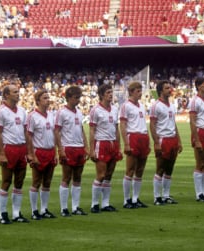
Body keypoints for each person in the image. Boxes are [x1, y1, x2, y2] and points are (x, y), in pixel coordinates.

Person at [0, 84, 29, 224]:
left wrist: (28, 151)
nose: (18, 94)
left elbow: (26, 132)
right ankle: (3, 214)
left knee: (19, 182)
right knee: (6, 181)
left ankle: (16, 213)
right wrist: (2, 153)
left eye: (18, 91)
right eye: (14, 92)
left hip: (21, 149)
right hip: (9, 149)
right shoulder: (1, 111)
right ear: (6, 95)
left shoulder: (22, 110)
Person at [55, 86, 89, 216]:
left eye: (79, 97)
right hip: (68, 147)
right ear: (68, 97)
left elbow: (81, 130)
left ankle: (75, 207)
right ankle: (64, 208)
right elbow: (56, 131)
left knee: (78, 178)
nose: (78, 100)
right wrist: (60, 149)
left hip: (79, 147)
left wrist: (85, 146)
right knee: (66, 177)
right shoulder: (61, 112)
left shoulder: (79, 112)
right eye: (76, 98)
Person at [89, 84, 122, 213]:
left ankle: (105, 203)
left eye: (111, 92)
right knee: (101, 175)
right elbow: (92, 130)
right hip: (101, 144)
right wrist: (92, 149)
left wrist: (118, 146)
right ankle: (94, 204)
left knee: (109, 175)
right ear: (102, 94)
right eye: (108, 92)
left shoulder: (114, 109)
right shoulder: (96, 110)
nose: (110, 94)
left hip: (112, 143)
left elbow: (116, 128)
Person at [150, 80, 182, 205]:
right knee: (160, 168)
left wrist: (179, 140)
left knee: (169, 169)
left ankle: (166, 195)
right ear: (160, 91)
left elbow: (174, 124)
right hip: (163, 139)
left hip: (172, 138)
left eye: (170, 87)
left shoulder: (172, 105)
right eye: (167, 88)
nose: (170, 90)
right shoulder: (156, 106)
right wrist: (156, 142)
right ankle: (157, 197)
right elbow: (152, 125)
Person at [26, 89, 57, 220]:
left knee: (47, 182)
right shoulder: (32, 116)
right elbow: (29, 136)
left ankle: (44, 209)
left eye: (48, 97)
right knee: (36, 181)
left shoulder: (51, 114)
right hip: (39, 151)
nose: (48, 100)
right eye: (45, 98)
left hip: (50, 151)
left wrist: (55, 152)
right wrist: (32, 155)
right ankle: (34, 211)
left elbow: (54, 134)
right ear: (38, 101)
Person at [119, 81, 150, 209]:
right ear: (131, 92)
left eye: (140, 90)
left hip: (143, 137)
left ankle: (136, 198)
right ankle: (127, 200)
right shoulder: (126, 106)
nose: (140, 93)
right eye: (137, 91)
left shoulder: (141, 106)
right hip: (133, 137)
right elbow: (122, 125)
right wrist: (126, 143)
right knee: (130, 169)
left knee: (140, 170)